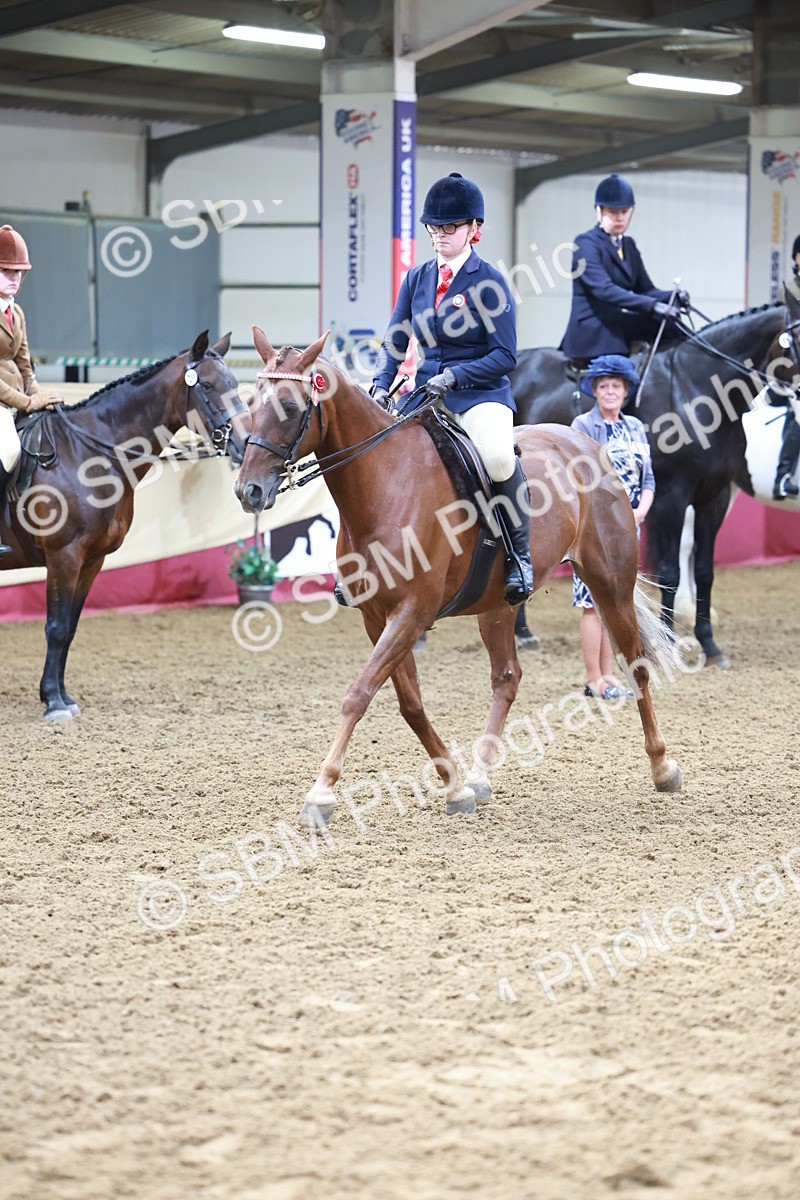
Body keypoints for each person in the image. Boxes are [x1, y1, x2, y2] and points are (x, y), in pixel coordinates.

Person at [370, 171, 532, 605]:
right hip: (425, 396)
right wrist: (382, 385)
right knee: (377, 456)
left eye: (450, 228)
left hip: (479, 395)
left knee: (498, 458)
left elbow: (505, 357)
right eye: (434, 228)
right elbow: (395, 339)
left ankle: (519, 555)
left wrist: (456, 376)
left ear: (474, 229)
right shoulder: (417, 278)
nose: (440, 236)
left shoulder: (490, 282)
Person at [570, 354, 655, 699]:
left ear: (626, 391)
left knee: (616, 602)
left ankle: (610, 676)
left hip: (629, 527)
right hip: (594, 529)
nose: (610, 392)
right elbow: (578, 478)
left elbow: (648, 478)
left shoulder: (635, 427)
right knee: (591, 602)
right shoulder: (582, 425)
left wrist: (639, 511)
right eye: (603, 386)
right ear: (594, 390)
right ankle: (594, 678)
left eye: (616, 386)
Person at [561, 173, 689, 366]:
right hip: (594, 325)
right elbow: (604, 290)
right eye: (613, 212)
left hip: (618, 320)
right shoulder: (585, 243)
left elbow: (646, 289)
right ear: (599, 211)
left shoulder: (628, 245)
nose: (620, 218)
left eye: (624, 212)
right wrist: (653, 306)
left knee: (671, 327)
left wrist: (673, 297)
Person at [0, 223, 63, 555]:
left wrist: (39, 397)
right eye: (7, 271)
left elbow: (25, 365)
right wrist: (27, 401)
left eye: (19, 272)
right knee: (9, 449)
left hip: (16, 401)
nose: (14, 278)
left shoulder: (17, 313)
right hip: (2, 403)